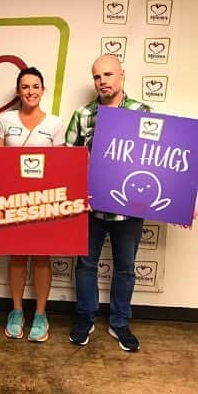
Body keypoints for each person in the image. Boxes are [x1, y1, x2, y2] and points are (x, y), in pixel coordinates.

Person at [65, 55, 151, 352]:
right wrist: (78, 192)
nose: (103, 81)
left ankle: (119, 323)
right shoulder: (83, 115)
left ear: (121, 75)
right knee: (86, 265)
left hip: (129, 210)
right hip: (91, 208)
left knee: (126, 268)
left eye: (108, 74)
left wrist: (180, 197)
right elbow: (68, 160)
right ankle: (85, 318)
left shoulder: (142, 112)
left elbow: (155, 161)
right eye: (97, 76)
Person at [0, 67, 66, 342]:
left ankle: (41, 314)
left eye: (36, 86)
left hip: (43, 200)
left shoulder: (55, 123)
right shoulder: (4, 120)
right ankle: (16, 311)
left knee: (42, 256)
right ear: (18, 91)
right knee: (17, 256)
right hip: (12, 201)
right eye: (25, 86)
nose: (30, 91)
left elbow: (61, 166)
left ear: (43, 90)